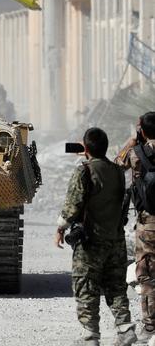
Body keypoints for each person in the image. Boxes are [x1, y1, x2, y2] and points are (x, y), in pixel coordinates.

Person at [55, 127, 136, 346]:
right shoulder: (118, 171)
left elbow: (73, 204)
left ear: (86, 147)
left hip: (91, 241)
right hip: (115, 240)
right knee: (116, 287)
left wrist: (61, 227)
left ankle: (91, 337)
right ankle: (125, 329)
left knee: (86, 288)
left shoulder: (84, 171)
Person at [116, 112, 155, 343]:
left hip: (149, 223)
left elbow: (115, 165)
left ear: (141, 130)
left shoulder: (135, 153)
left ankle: (150, 326)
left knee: (147, 274)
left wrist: (132, 141)